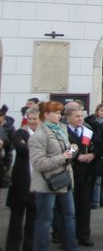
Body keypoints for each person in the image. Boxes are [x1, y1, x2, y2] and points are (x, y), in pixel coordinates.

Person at [29, 100, 78, 251]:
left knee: (69, 216)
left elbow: (66, 150)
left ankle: (71, 246)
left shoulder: (61, 129)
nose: (59, 115)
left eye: (60, 112)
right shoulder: (39, 135)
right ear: (45, 114)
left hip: (65, 180)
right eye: (56, 113)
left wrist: (72, 149)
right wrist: (62, 157)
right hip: (46, 183)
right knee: (45, 220)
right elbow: (39, 163)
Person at [6, 106, 39, 251]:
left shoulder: (42, 134)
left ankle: (29, 246)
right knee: (16, 218)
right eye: (29, 119)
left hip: (36, 183)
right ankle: (12, 247)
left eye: (34, 119)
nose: (31, 121)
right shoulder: (20, 133)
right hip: (20, 184)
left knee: (33, 219)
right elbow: (21, 149)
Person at [67, 105, 99, 247]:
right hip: (71, 175)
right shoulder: (64, 131)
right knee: (69, 209)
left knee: (84, 207)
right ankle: (68, 237)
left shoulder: (88, 131)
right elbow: (64, 149)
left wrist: (93, 155)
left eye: (81, 116)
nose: (80, 119)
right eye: (76, 116)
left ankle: (84, 235)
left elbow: (98, 146)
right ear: (68, 117)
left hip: (86, 174)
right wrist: (77, 157)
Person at [85, 102, 103, 208]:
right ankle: (95, 201)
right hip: (97, 154)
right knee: (96, 179)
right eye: (101, 110)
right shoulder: (92, 124)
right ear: (97, 112)